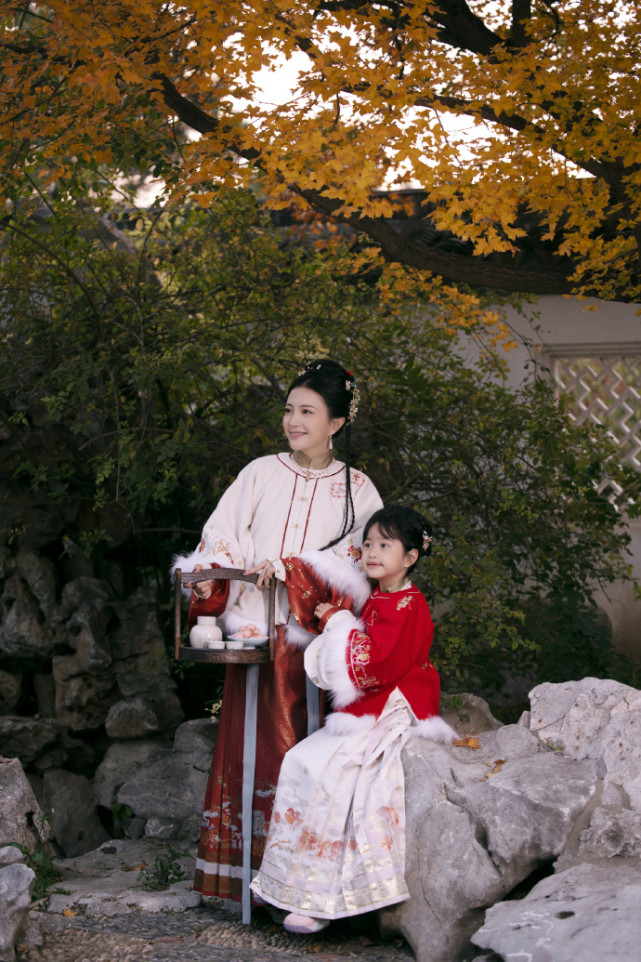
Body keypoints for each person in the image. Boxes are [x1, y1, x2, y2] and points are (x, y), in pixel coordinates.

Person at [171, 359, 383, 902]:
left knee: (313, 759)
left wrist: (296, 570)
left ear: (336, 423)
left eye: (307, 412)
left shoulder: (359, 491)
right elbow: (221, 534)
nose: (293, 420)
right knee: (249, 752)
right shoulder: (259, 472)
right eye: (289, 409)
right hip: (254, 640)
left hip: (316, 650)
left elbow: (365, 569)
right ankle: (243, 879)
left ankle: (309, 887)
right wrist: (212, 575)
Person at [250, 505, 457, 933]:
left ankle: (320, 901)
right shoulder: (381, 597)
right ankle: (287, 883)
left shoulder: (407, 605)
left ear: (411, 557)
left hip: (395, 702)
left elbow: (377, 662)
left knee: (337, 772)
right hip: (371, 702)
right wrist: (341, 620)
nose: (373, 552)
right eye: (368, 544)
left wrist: (339, 621)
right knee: (301, 761)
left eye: (385, 544)